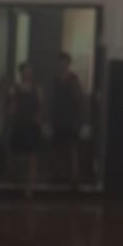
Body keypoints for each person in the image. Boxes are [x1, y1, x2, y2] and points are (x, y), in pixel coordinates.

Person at [6, 62, 43, 198]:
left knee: (32, 157)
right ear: (21, 72)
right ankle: (16, 180)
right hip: (19, 124)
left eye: (30, 70)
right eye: (25, 70)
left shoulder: (37, 88)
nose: (28, 73)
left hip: (32, 125)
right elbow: (10, 108)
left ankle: (30, 188)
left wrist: (39, 119)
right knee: (17, 155)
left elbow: (41, 106)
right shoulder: (14, 88)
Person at [50, 52, 85, 185]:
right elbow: (54, 99)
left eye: (64, 63)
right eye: (60, 62)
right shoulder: (55, 79)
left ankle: (74, 177)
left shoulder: (73, 80)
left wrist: (79, 120)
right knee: (58, 147)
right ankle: (59, 174)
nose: (62, 65)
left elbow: (79, 100)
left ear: (68, 64)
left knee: (72, 148)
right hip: (59, 118)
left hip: (71, 119)